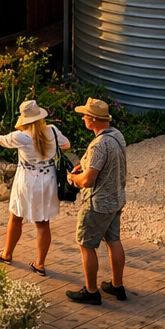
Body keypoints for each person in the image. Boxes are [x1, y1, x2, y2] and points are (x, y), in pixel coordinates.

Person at [0, 99, 71, 276]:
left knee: (16, 216)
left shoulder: (22, 137)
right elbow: (66, 144)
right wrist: (50, 151)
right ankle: (40, 264)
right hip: (48, 179)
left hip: (27, 180)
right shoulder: (52, 131)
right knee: (43, 223)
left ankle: (7, 254)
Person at [66, 97, 128, 305]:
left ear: (92, 119)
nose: (83, 118)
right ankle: (117, 286)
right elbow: (103, 166)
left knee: (86, 244)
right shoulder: (116, 135)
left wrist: (73, 178)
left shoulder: (98, 145)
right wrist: (84, 167)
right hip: (116, 199)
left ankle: (91, 292)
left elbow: (88, 181)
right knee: (113, 240)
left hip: (97, 204)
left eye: (85, 115)